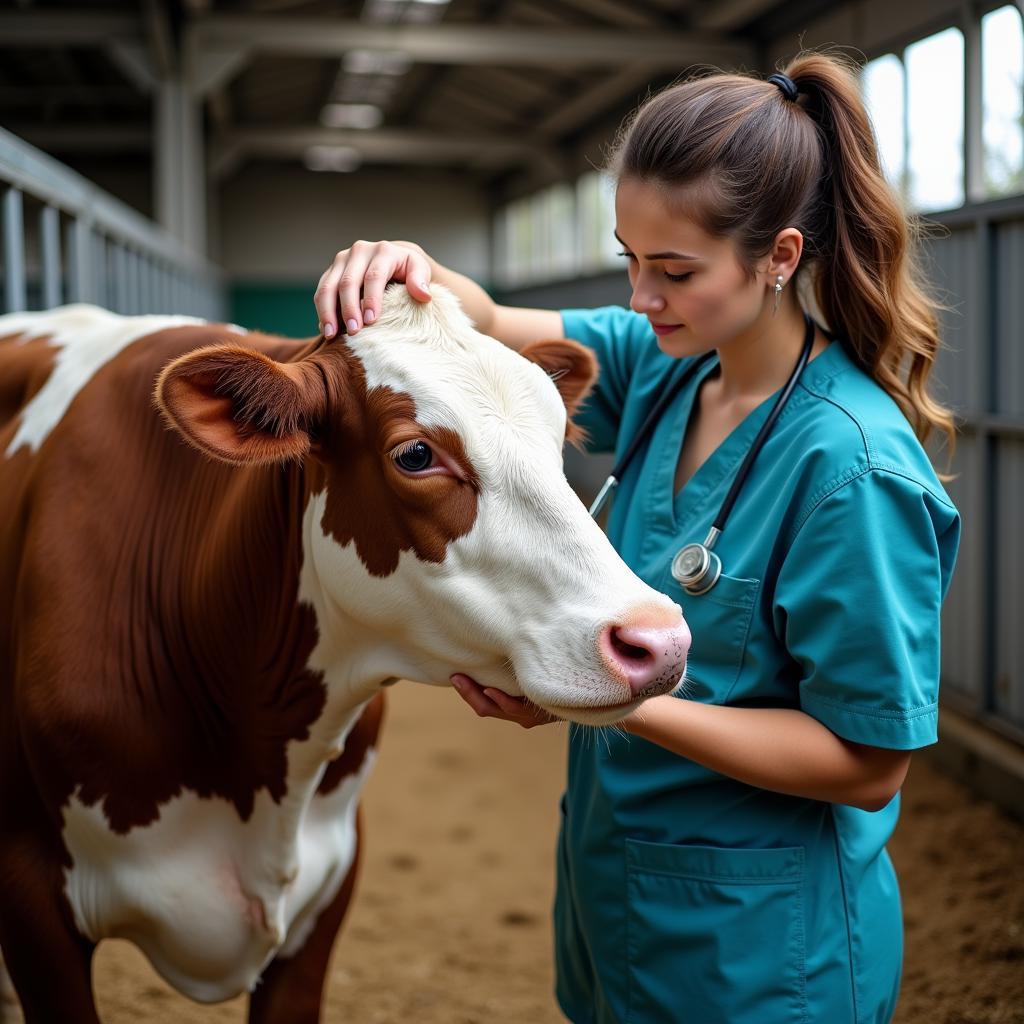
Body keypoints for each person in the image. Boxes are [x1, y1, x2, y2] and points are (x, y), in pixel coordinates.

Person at [313, 52, 960, 1024]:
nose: (640, 295)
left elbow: (867, 763)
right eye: (629, 257)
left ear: (779, 257)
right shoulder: (665, 367)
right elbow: (481, 322)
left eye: (674, 270)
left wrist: (613, 696)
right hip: (620, 909)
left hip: (763, 958)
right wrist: (405, 266)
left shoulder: (852, 469)